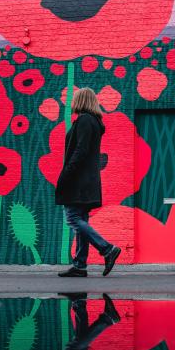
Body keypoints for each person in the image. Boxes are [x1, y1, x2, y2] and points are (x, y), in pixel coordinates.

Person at [55, 88, 122, 278]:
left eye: (75, 99)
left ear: (81, 101)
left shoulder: (85, 120)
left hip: (78, 181)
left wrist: (66, 173)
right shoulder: (93, 122)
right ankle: (80, 265)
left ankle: (107, 249)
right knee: (80, 221)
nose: (72, 103)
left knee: (73, 219)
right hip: (86, 181)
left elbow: (81, 151)